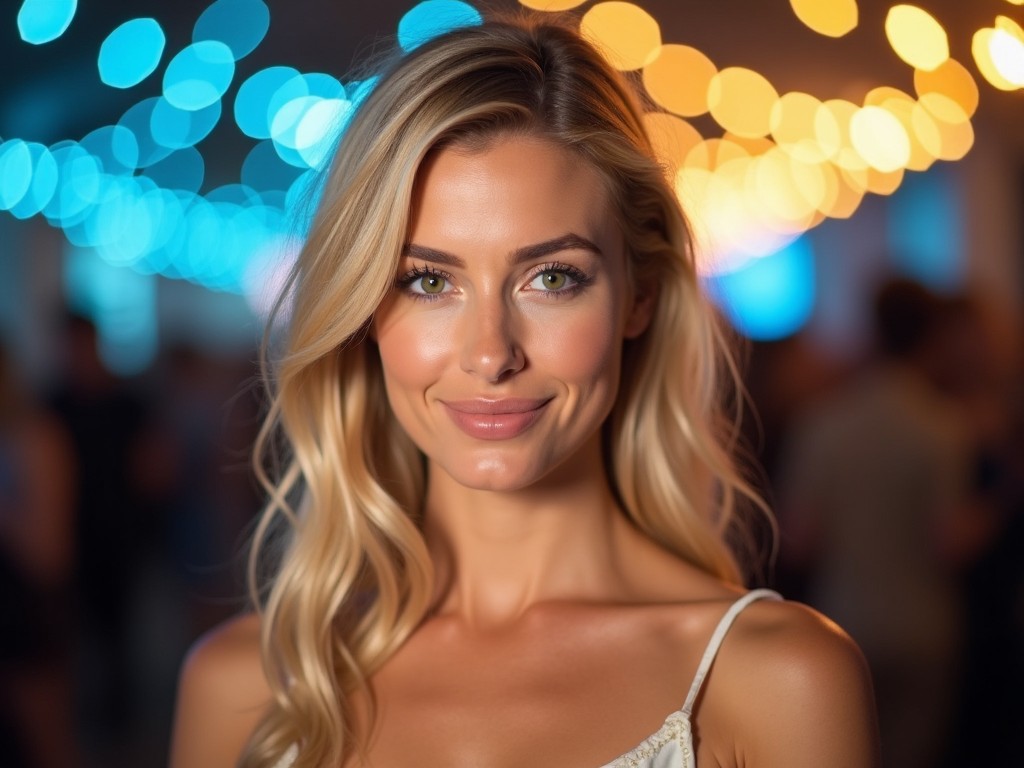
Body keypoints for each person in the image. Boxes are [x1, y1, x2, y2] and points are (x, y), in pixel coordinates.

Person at [170, 14, 879, 768]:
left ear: (638, 295)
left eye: (551, 278)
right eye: (429, 281)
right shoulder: (244, 687)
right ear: (363, 312)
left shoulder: (775, 679)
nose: (490, 353)